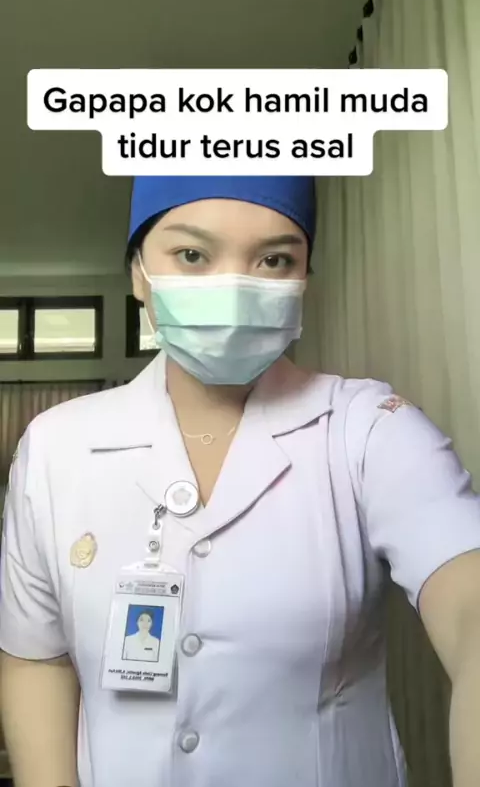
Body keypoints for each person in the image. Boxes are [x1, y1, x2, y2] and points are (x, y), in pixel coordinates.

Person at [0, 175, 480, 787]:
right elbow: (37, 655)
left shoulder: (369, 430)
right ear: (139, 273)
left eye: (273, 260)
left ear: (304, 278)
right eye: (192, 255)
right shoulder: (56, 446)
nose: (231, 289)